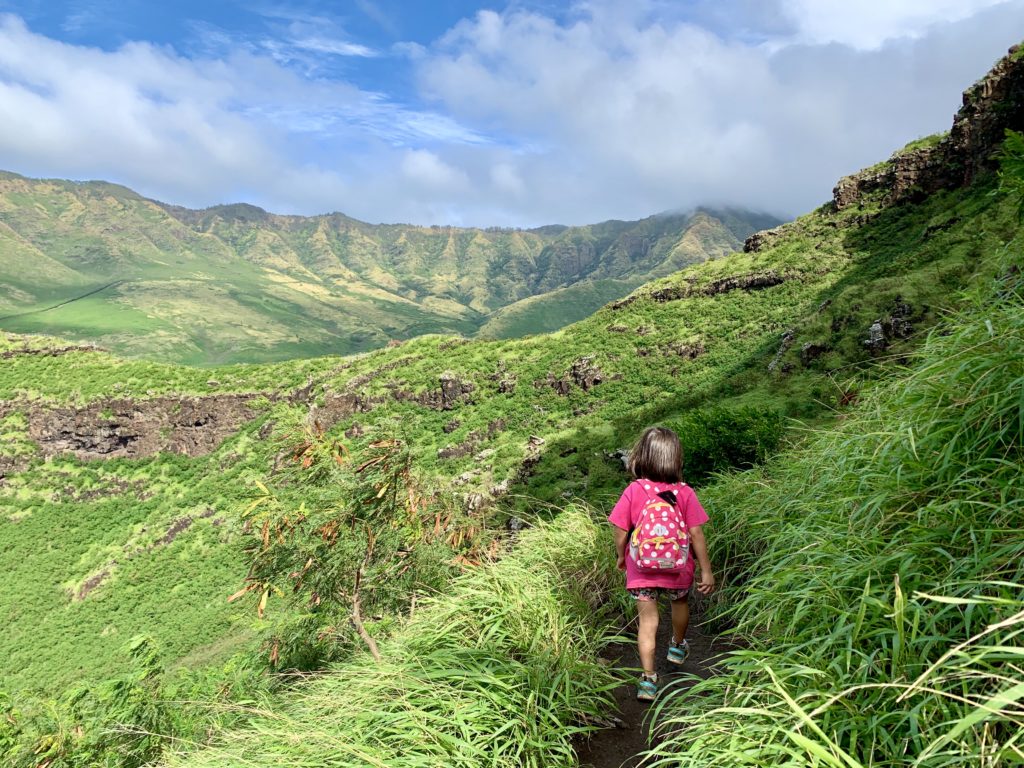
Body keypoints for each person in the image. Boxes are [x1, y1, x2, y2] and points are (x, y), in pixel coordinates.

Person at [608, 426, 715, 701]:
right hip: (678, 567)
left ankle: (647, 680)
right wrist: (706, 570)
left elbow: (620, 529)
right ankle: (677, 647)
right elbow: (696, 534)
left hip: (641, 568)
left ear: (642, 456)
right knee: (679, 603)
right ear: (675, 458)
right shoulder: (685, 492)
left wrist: (621, 555)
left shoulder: (634, 490)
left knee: (648, 621)